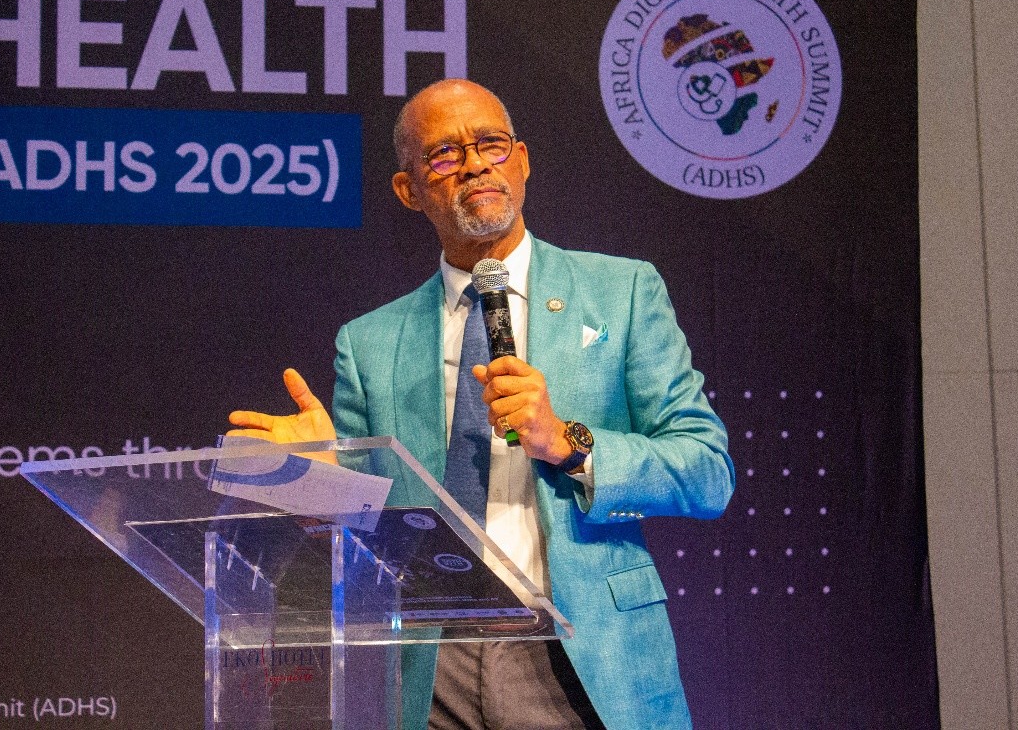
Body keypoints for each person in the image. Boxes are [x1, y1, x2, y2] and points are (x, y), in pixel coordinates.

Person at [228, 79, 734, 730]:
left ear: (520, 161)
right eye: (444, 154)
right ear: (409, 190)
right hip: (429, 661)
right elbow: (366, 535)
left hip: (577, 646)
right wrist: (319, 478)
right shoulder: (369, 343)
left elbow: (706, 471)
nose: (473, 165)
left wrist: (568, 442)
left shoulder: (623, 292)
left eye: (490, 144)